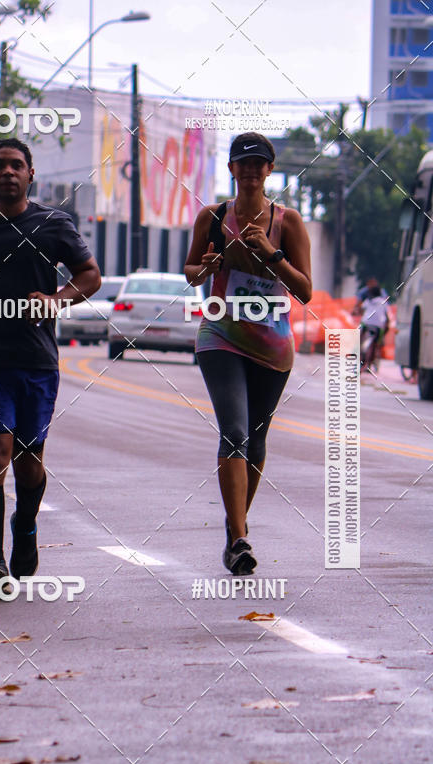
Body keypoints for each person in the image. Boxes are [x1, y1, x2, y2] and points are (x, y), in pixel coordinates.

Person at [0, 138, 101, 599]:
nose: (8, 172)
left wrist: (56, 299)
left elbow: (89, 274)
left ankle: (25, 522)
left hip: (36, 362)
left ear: (31, 176)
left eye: (16, 165)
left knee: (29, 465)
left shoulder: (53, 223)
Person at [184, 132, 312, 575]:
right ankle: (240, 538)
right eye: (244, 162)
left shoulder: (288, 221)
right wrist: (207, 267)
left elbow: (306, 290)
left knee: (255, 441)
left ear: (269, 171)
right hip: (220, 334)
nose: (251, 169)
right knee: (234, 432)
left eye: (259, 163)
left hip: (273, 346)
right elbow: (191, 271)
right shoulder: (214, 216)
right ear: (232, 170)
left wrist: (271, 254)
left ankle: (233, 523)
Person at [354, 278, 389, 372]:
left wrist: (357, 311)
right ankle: (370, 363)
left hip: (366, 323)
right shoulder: (384, 302)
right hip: (379, 326)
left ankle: (357, 348)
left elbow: (359, 308)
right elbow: (386, 315)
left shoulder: (368, 301)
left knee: (359, 335)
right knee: (376, 344)